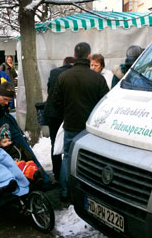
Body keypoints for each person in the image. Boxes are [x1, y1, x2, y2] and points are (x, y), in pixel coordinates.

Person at [53, 42, 109, 201]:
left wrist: (67, 112)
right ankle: (89, 193)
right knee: (91, 160)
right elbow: (105, 104)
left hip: (70, 124)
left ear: (75, 55)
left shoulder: (63, 76)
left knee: (68, 157)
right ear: (89, 56)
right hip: (90, 128)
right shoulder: (98, 78)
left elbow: (56, 102)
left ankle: (65, 192)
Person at [43, 56, 74, 181]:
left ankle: (57, 173)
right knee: (68, 145)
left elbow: (50, 89)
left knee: (54, 144)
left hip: (52, 114)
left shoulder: (54, 72)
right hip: (66, 114)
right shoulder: (72, 74)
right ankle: (67, 175)